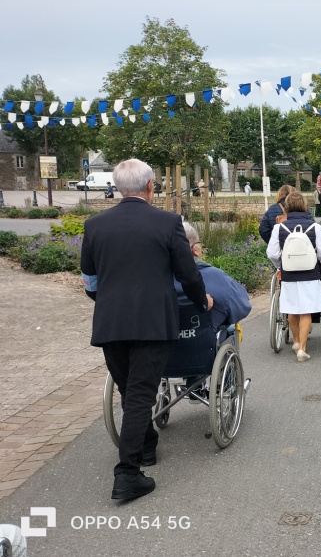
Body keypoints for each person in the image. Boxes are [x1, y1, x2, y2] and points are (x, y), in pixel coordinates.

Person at [80, 158, 211, 501]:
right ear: (151, 186)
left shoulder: (94, 226)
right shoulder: (167, 223)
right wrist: (202, 303)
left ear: (117, 187)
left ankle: (148, 445)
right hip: (152, 322)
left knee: (130, 391)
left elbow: (89, 281)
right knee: (140, 394)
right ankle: (127, 474)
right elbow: (188, 274)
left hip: (110, 322)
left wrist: (108, 301)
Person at [267, 192, 321, 361]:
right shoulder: (315, 228)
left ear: (287, 207)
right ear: (305, 206)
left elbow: (272, 253)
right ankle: (302, 350)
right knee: (305, 311)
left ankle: (296, 341)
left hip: (289, 274)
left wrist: (281, 265)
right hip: (310, 274)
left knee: (291, 309)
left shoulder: (279, 228)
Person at [176, 221, 252, 337]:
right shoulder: (216, 278)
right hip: (206, 342)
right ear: (195, 250)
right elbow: (242, 306)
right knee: (231, 329)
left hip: (165, 343)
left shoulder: (155, 281)